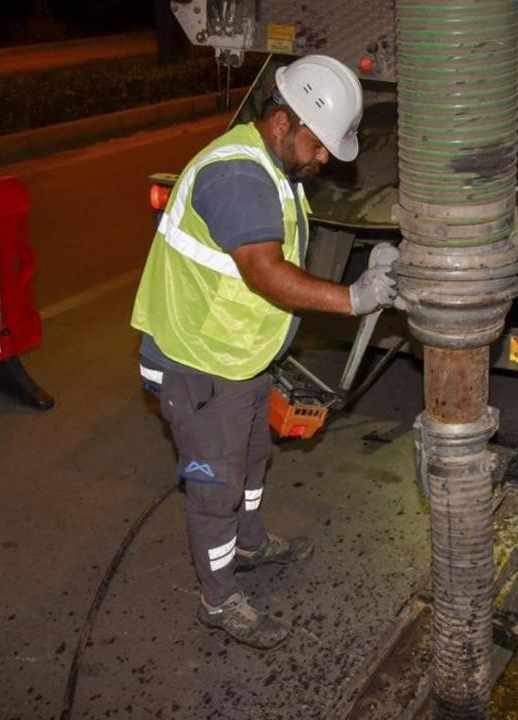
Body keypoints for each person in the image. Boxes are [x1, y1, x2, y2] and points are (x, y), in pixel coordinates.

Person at [129, 55, 396, 649]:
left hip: (238, 357)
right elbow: (264, 273)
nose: (324, 158)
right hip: (199, 362)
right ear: (284, 122)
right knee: (215, 486)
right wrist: (353, 298)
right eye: (320, 144)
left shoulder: (271, 169)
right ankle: (218, 599)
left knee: (251, 463)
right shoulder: (238, 177)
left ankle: (249, 546)